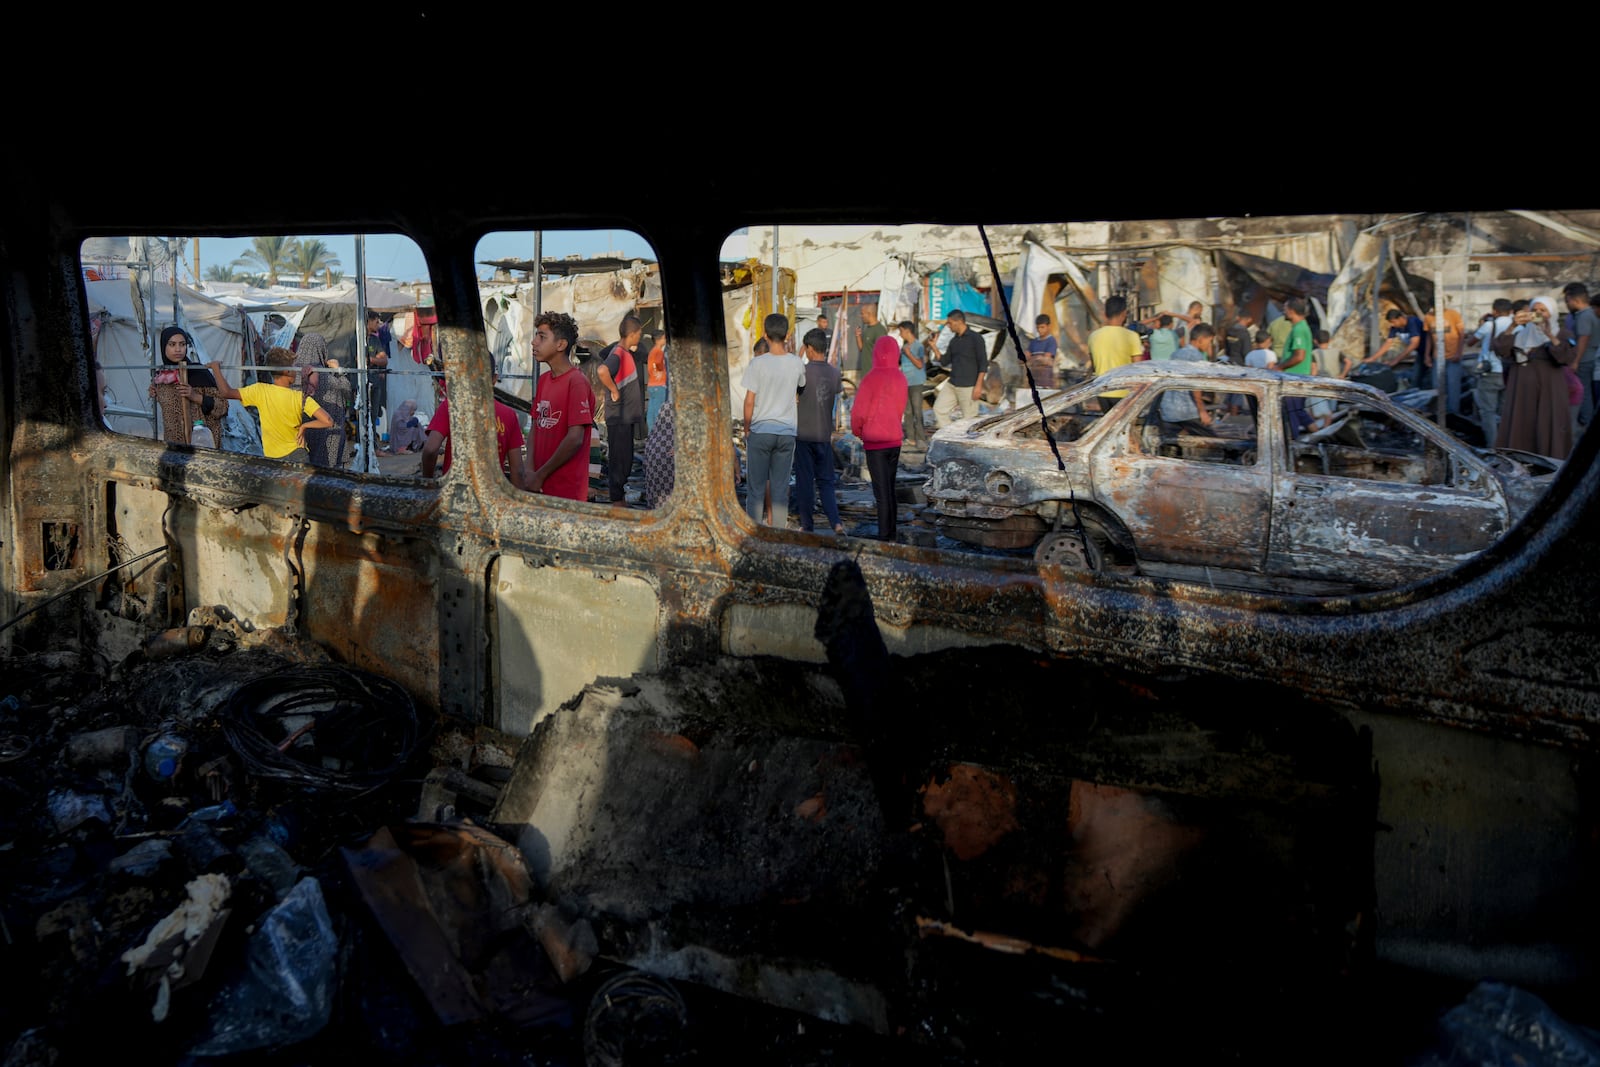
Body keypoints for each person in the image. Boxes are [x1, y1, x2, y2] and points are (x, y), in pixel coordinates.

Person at [207, 347, 331, 462]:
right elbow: (328, 421)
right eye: (294, 367)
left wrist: (215, 368)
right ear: (287, 371)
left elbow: (226, 392)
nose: (296, 371)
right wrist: (304, 426)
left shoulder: (260, 391)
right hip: (298, 455)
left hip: (273, 459)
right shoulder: (300, 398)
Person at [740, 312, 807, 528]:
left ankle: (754, 535)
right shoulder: (796, 363)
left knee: (756, 489)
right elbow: (801, 388)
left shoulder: (757, 364)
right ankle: (779, 536)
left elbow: (749, 401)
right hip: (786, 432)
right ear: (787, 335)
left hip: (761, 430)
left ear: (765, 335)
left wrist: (747, 428)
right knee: (780, 489)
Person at [526, 311, 595, 501]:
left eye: (541, 337)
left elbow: (575, 439)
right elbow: (535, 427)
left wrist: (539, 475)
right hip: (539, 486)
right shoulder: (543, 380)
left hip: (566, 492)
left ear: (561, 344)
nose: (534, 342)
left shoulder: (576, 382)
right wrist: (529, 471)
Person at [1493, 296, 1573, 460]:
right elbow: (1500, 348)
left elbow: (1565, 358)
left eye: (1543, 310)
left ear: (1551, 313)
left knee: (1547, 422)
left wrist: (1549, 334)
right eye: (1535, 310)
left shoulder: (1562, 333)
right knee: (1521, 422)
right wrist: (1513, 325)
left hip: (1549, 387)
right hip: (1521, 387)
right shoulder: (1521, 334)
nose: (1538, 314)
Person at [420, 374, 528, 489]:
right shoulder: (508, 415)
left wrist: (428, 482)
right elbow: (518, 470)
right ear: (494, 379)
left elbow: (430, 449)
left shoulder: (450, 406)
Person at [851, 335, 908, 542]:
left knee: (881, 493)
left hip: (875, 443)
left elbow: (858, 413)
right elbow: (900, 408)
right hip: (894, 441)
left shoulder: (870, 378)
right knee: (890, 490)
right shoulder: (901, 378)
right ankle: (892, 533)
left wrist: (858, 431)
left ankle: (885, 538)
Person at [794, 328, 845, 535]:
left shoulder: (803, 372)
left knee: (805, 482)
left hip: (803, 435)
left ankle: (807, 526)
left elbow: (795, 396)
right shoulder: (834, 373)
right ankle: (836, 523)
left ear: (810, 349)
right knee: (826, 482)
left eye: (805, 348)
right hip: (824, 435)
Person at [148, 325, 227, 446]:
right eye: (172, 344)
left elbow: (223, 407)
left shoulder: (199, 372)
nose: (178, 349)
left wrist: (195, 397)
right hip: (174, 445)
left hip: (203, 445)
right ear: (164, 347)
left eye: (182, 344)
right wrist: (154, 392)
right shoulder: (162, 377)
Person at [596, 313, 645, 503]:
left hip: (626, 417)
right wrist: (613, 390)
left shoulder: (624, 352)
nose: (640, 337)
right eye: (639, 333)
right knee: (619, 461)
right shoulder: (617, 353)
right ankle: (617, 502)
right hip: (620, 416)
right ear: (633, 334)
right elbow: (602, 370)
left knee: (625, 460)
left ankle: (619, 499)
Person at [293, 333, 350, 468]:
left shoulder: (291, 375)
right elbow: (348, 394)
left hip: (301, 436)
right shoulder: (331, 378)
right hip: (330, 436)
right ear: (322, 350)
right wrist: (338, 371)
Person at [1466, 299, 1513, 447]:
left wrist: (1482, 323)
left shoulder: (1489, 325)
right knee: (1506, 410)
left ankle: (1493, 446)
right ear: (1511, 311)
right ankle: (1508, 442)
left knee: (1488, 412)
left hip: (1491, 372)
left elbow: (1470, 342)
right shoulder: (1517, 326)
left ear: (1494, 311)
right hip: (1509, 372)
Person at [1157, 323, 1216, 436]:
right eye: (1209, 341)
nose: (1209, 345)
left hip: (1169, 409)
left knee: (1172, 445)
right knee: (1213, 440)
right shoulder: (1196, 356)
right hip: (1187, 410)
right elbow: (1195, 385)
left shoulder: (1176, 353)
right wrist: (1202, 411)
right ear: (1201, 339)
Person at [1086, 296, 1142, 408]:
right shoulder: (1132, 336)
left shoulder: (1093, 336)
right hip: (1124, 392)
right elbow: (1138, 368)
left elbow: (1094, 365)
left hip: (1102, 391)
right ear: (1124, 313)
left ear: (1106, 313)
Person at [939, 309, 989, 421]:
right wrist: (933, 347)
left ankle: (965, 438)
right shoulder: (954, 341)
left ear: (959, 321)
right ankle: (949, 436)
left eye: (950, 323)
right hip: (953, 383)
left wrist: (979, 386)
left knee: (969, 419)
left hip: (969, 386)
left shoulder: (976, 338)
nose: (948, 326)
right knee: (939, 410)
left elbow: (983, 363)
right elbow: (944, 361)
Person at [1562, 282, 1597, 431]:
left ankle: (1587, 423)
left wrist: (1575, 361)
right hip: (1591, 358)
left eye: (1567, 300)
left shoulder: (1584, 316)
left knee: (1584, 393)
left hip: (1584, 359)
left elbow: (1584, 338)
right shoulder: (1593, 313)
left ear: (1575, 300)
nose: (1567, 304)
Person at [1423, 301, 1468, 414]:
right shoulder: (1428, 317)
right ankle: (1438, 413)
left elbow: (1462, 334)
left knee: (1453, 386)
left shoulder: (1453, 314)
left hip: (1453, 357)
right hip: (1437, 357)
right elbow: (1429, 337)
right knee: (1437, 387)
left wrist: (1459, 353)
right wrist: (1427, 355)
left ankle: (1453, 414)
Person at [1371, 307, 1425, 386]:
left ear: (1400, 318)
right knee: (1416, 378)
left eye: (1393, 322)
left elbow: (1414, 343)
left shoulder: (1412, 322)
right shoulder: (1395, 328)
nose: (1392, 324)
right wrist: (1373, 358)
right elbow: (1388, 343)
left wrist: (1396, 360)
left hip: (1429, 351)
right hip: (1420, 353)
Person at [896, 320, 928, 448]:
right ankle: (910, 438)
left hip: (916, 382)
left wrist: (909, 354)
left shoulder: (918, 346)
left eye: (901, 331)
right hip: (905, 382)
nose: (900, 334)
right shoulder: (904, 346)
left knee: (917, 411)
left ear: (907, 331)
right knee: (907, 412)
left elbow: (920, 365)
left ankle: (921, 438)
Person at [365, 310, 391, 445]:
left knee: (374, 415)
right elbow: (357, 360)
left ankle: (374, 446)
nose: (378, 325)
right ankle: (363, 446)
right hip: (362, 385)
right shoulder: (356, 339)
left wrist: (371, 360)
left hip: (375, 383)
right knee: (363, 415)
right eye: (376, 321)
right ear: (368, 321)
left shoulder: (375, 340)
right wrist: (375, 359)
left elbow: (384, 360)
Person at [853, 302, 888, 387]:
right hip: (866, 374)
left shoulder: (880, 330)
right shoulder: (868, 329)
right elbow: (862, 348)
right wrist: (858, 336)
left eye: (862, 313)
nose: (861, 316)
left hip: (875, 376)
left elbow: (883, 355)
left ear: (869, 314)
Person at [1026, 313, 1059, 389]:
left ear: (1048, 326)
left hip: (1046, 381)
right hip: (1033, 379)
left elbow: (1046, 360)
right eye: (1038, 327)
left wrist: (1033, 359)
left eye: (1042, 327)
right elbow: (1024, 357)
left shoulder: (1051, 341)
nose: (1039, 330)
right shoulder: (1033, 342)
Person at [645, 330, 668, 432]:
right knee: (660, 411)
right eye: (664, 338)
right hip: (660, 385)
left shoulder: (652, 351)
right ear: (659, 340)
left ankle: (651, 432)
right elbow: (659, 363)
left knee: (652, 411)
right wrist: (662, 369)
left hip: (652, 384)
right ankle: (659, 433)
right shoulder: (659, 351)